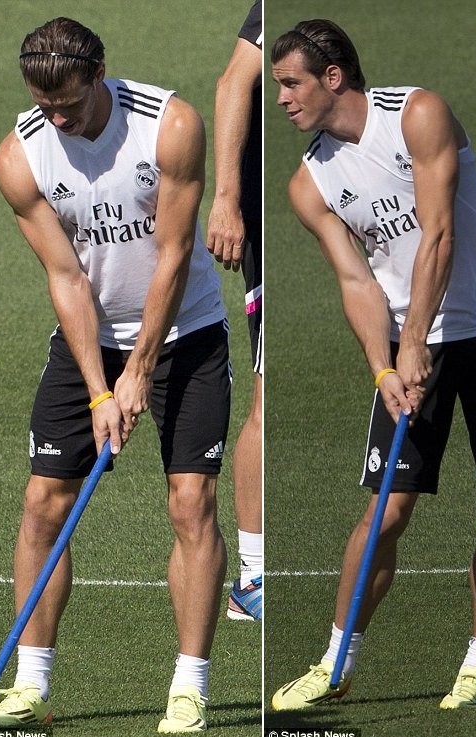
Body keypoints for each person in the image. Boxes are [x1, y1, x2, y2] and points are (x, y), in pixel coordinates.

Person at [269, 19, 476, 712]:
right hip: (406, 344)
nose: (280, 98)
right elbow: (357, 281)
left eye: (290, 83)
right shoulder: (308, 185)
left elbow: (439, 232)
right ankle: (336, 661)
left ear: (332, 77)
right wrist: (381, 366)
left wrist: (415, 338)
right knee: (387, 511)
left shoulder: (417, 115)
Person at [0, 17, 231, 733]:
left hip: (186, 333)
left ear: (99, 74)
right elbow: (65, 275)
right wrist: (99, 385)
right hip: (88, 336)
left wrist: (139, 371)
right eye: (43, 104)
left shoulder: (171, 126)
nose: (56, 117)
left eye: (69, 104)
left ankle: (189, 686)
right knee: (42, 503)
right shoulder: (19, 156)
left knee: (190, 503)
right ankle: (31, 686)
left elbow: (175, 254)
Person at [207, 0, 263, 622]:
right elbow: (233, 82)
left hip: (349, 199)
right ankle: (254, 578)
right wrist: (226, 199)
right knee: (267, 395)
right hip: (273, 217)